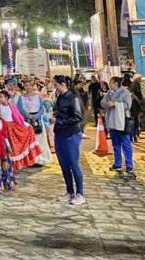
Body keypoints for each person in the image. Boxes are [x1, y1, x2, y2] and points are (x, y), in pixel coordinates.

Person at [51, 75, 85, 205]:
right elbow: (58, 112)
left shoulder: (73, 97)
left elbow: (77, 117)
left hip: (71, 134)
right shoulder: (59, 98)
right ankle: (69, 191)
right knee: (63, 164)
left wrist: (59, 120)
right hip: (59, 133)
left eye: (56, 85)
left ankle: (80, 193)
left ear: (63, 84)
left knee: (73, 163)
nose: (55, 88)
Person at [0, 90, 41, 170]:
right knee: (7, 147)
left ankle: (15, 164)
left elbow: (17, 117)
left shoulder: (11, 106)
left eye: (1, 97)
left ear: (6, 98)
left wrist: (25, 124)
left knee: (14, 146)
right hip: (4, 128)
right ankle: (6, 163)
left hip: (12, 128)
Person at [102, 76, 134, 175]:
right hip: (112, 120)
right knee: (115, 144)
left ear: (115, 83)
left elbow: (128, 105)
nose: (109, 84)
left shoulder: (125, 93)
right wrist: (107, 104)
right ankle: (117, 163)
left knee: (126, 143)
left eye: (111, 82)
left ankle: (129, 165)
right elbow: (102, 102)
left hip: (123, 120)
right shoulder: (109, 93)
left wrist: (116, 104)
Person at [18, 83, 52, 165]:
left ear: (33, 86)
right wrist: (28, 116)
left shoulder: (39, 97)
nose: (28, 87)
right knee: (28, 140)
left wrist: (36, 116)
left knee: (39, 139)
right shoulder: (21, 97)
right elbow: (20, 108)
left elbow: (41, 108)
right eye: (26, 85)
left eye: (30, 85)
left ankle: (40, 159)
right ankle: (30, 159)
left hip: (38, 120)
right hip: (26, 120)